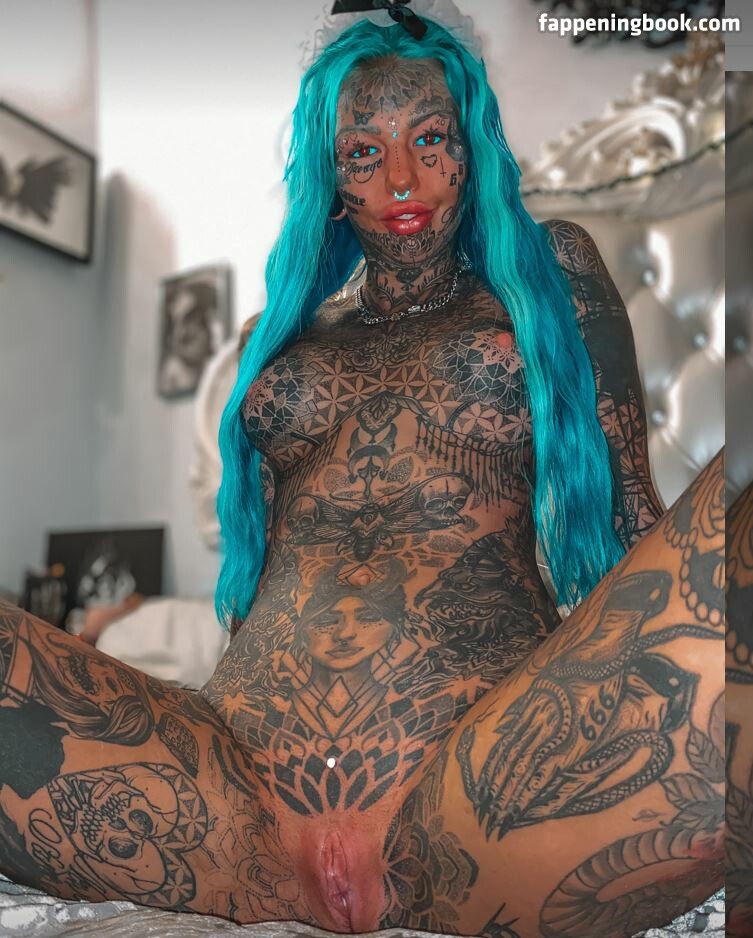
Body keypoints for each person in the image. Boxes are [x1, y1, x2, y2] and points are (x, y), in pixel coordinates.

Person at [0, 4, 726, 936]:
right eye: (361, 153)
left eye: (429, 139)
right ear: (330, 177)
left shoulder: (552, 272)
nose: (401, 179)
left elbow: (635, 522)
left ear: (471, 149)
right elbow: (260, 584)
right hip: (223, 811)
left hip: (485, 796)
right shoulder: (280, 338)